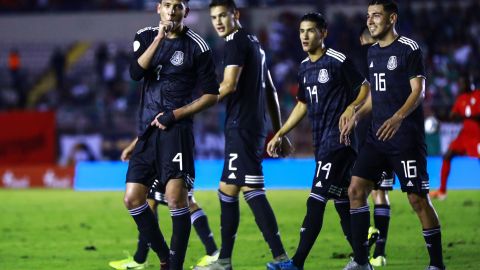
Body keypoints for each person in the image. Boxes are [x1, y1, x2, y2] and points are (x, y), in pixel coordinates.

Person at [342, 1, 445, 269]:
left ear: (392, 18)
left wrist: (398, 118)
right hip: (377, 138)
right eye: (368, 16)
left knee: (417, 200)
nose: (370, 21)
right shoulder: (373, 52)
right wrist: (355, 113)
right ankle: (362, 262)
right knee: (355, 190)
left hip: (405, 138)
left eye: (376, 15)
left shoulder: (409, 49)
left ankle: (436, 265)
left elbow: (418, 91)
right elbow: (376, 96)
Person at [265, 12, 370, 270]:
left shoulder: (337, 60)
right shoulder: (303, 67)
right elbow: (302, 105)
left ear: (323, 33)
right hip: (322, 144)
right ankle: (362, 261)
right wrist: (280, 132)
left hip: (340, 142)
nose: (305, 36)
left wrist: (352, 109)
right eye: (301, 31)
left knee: (316, 199)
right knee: (344, 203)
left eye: (311, 30)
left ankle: (296, 263)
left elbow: (365, 88)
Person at [196, 1, 293, 269]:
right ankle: (225, 260)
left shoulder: (236, 43)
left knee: (252, 189)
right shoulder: (253, 44)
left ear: (235, 15)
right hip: (250, 125)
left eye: (222, 16)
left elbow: (228, 86)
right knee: (227, 190)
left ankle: (281, 258)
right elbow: (271, 90)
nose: (217, 22)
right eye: (214, 17)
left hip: (243, 126)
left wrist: (192, 107)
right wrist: (280, 131)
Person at [124, 0, 219, 269]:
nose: (172, 10)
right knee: (132, 198)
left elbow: (212, 95)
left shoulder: (197, 46)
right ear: (158, 9)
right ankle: (165, 258)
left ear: (185, 12)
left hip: (177, 131)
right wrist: (159, 39)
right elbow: (135, 73)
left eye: (178, 6)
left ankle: (175, 265)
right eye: (167, 5)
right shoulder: (144, 36)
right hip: (146, 132)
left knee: (177, 199)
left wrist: (174, 115)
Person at [109, 138, 219, 270]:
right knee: (150, 203)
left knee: (185, 202)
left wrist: (133, 146)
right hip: (154, 151)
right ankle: (140, 258)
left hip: (168, 150)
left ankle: (212, 251)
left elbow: (154, 123)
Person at [357, 26, 393, 267]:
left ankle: (373, 243)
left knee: (363, 189)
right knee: (376, 192)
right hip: (374, 133)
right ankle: (378, 251)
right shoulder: (376, 58)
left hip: (378, 134)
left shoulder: (371, 59)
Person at [430, 74, 480, 200]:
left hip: (478, 135)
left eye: (463, 83)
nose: (461, 86)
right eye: (460, 83)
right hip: (464, 136)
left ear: (470, 83)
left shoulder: (478, 95)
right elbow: (453, 115)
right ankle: (442, 192)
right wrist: (441, 117)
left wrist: (464, 117)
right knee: (447, 155)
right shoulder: (461, 98)